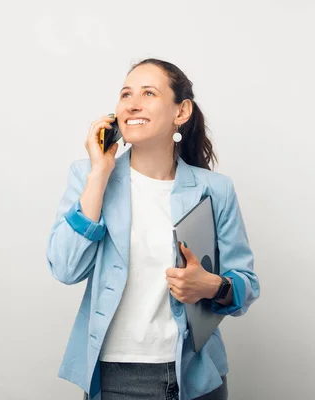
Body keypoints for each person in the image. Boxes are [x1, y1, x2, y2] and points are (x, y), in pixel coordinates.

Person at [46, 58, 260, 400]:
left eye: (148, 93)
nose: (133, 103)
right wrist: (99, 174)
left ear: (181, 111)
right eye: (126, 94)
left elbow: (246, 286)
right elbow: (66, 268)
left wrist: (212, 286)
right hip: (114, 377)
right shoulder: (87, 177)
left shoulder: (214, 189)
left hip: (195, 376)